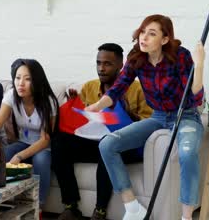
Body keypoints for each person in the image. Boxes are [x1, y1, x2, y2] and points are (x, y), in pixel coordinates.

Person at [87, 15, 205, 220]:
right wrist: (97, 106)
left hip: (185, 115)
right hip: (157, 117)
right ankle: (133, 207)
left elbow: (195, 95)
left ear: (165, 39)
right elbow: (117, 88)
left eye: (152, 34)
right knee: (107, 145)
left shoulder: (180, 56)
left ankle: (186, 217)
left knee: (187, 154)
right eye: (143, 32)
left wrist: (200, 64)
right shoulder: (137, 58)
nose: (144, 38)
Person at [52, 43, 153, 220]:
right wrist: (74, 105)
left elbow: (150, 125)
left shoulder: (138, 89)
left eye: (107, 64)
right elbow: (83, 123)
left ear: (120, 66)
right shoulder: (89, 87)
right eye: (98, 63)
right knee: (59, 142)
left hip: (126, 145)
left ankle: (100, 210)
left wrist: (129, 114)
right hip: (96, 141)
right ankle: (70, 206)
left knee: (107, 147)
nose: (101, 68)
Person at [0, 58, 59, 207]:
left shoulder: (47, 101)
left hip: (42, 146)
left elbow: (45, 139)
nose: (21, 83)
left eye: (27, 79)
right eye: (18, 78)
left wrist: (19, 156)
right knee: (0, 156)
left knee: (41, 160)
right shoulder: (11, 95)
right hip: (22, 143)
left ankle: (38, 206)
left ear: (37, 81)